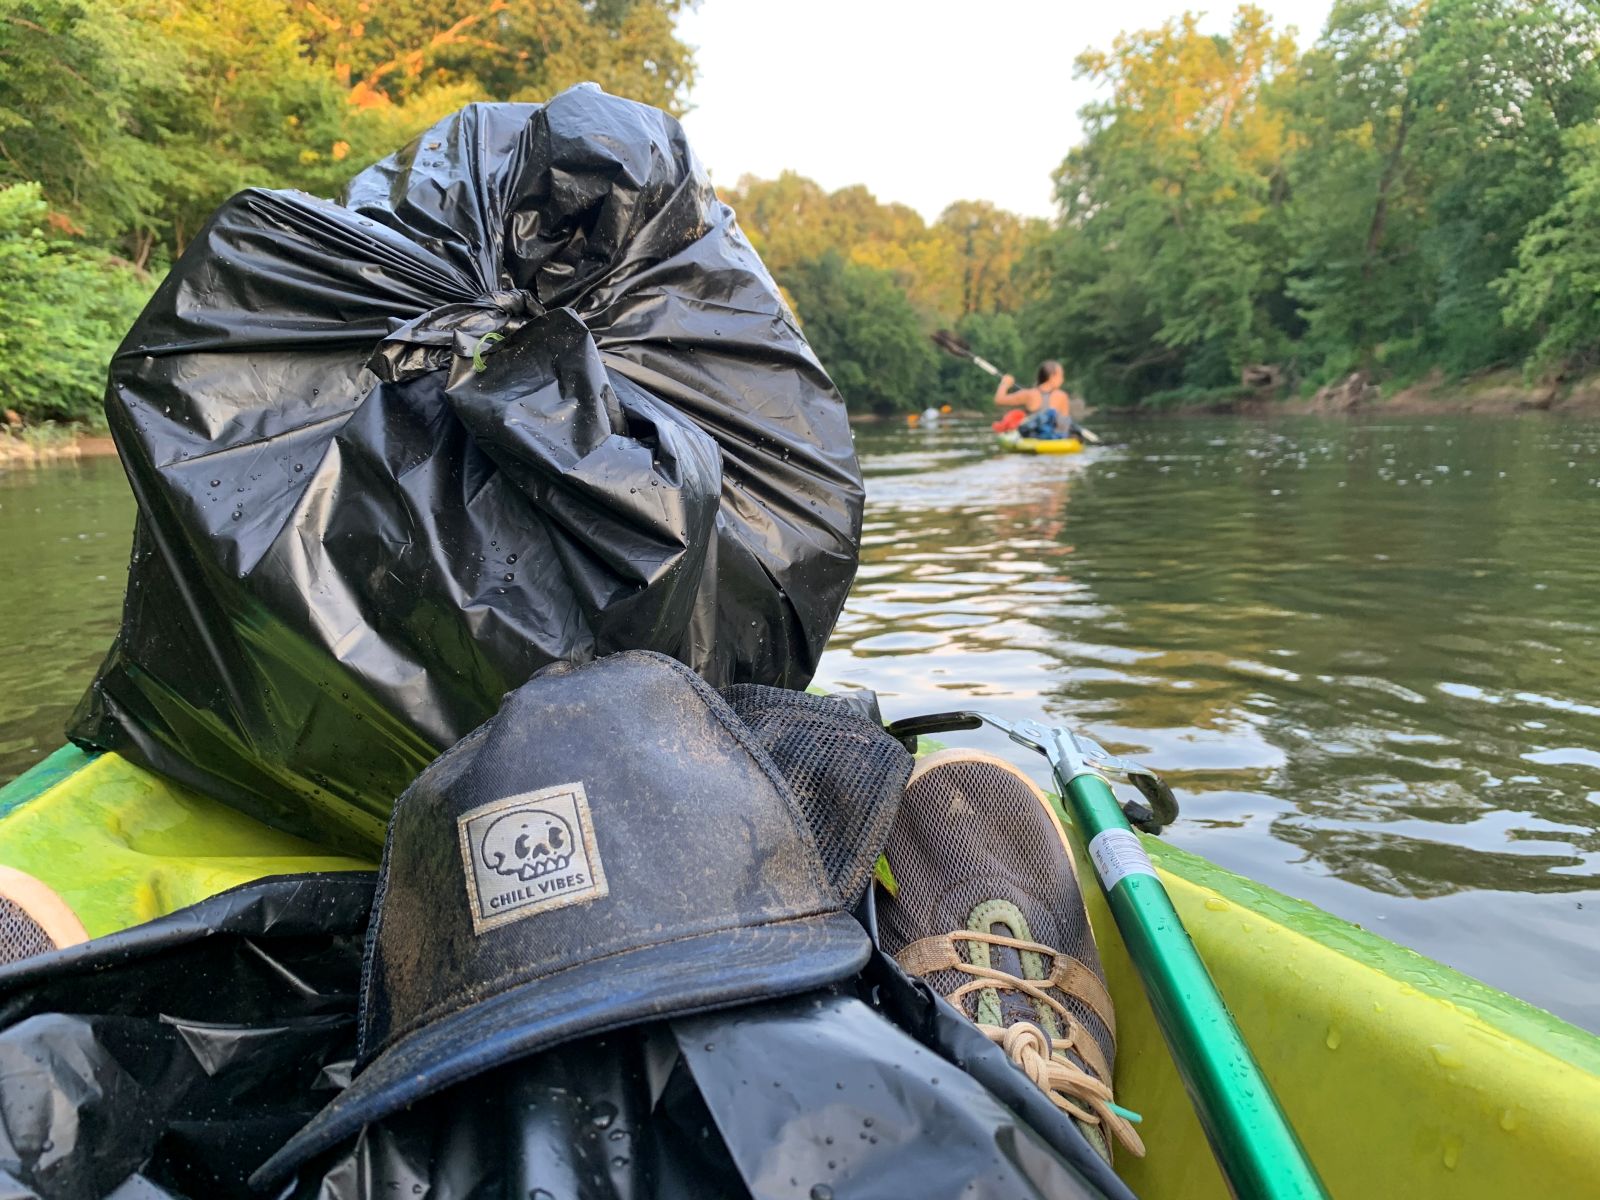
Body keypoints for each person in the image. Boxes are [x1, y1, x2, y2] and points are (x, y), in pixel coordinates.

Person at [994, 361, 1084, 440]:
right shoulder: (1061, 395)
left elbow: (999, 400)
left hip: (1034, 437)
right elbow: (1064, 424)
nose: (1062, 379)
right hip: (1056, 438)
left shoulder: (1028, 394)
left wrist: (1005, 384)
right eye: (1061, 376)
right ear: (1052, 376)